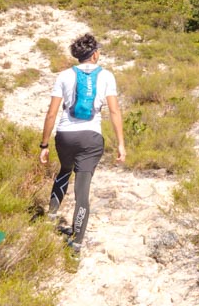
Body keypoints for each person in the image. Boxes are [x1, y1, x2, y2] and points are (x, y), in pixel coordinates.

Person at [38, 33, 126, 254]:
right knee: (82, 193)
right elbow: (114, 111)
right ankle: (76, 246)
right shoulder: (106, 76)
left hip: (65, 135)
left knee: (65, 171)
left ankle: (51, 215)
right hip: (91, 138)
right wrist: (120, 144)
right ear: (95, 54)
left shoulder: (64, 76)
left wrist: (44, 144)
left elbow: (51, 113)